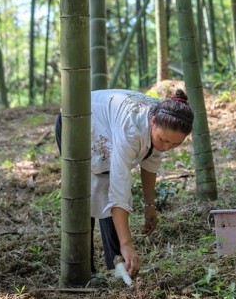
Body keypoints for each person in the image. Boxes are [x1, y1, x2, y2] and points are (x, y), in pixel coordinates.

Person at [55, 88, 193, 277]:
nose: (166, 146)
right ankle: (82, 271)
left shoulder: (164, 122)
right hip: (76, 120)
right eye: (163, 140)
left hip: (105, 126)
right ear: (152, 122)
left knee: (105, 191)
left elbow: (150, 165)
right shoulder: (132, 129)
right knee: (83, 194)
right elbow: (119, 192)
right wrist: (127, 244)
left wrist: (150, 205)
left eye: (175, 144)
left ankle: (117, 266)